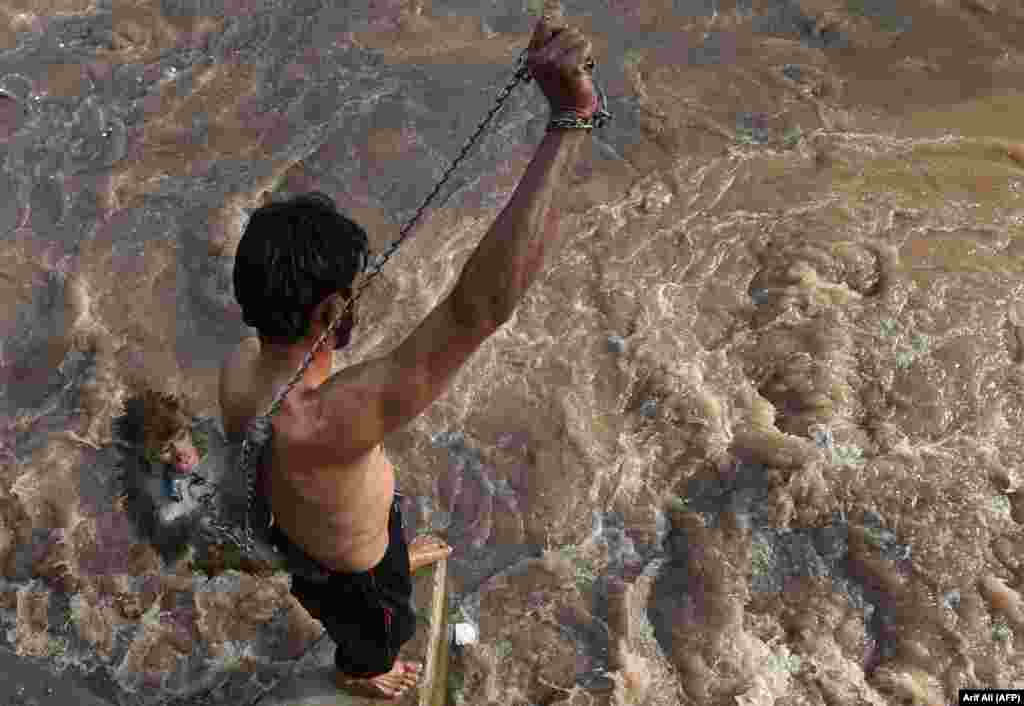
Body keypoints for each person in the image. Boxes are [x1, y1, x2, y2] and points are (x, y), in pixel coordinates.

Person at [217, 14, 601, 701]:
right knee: (380, 631)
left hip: (309, 542)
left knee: (370, 554)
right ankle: (364, 673)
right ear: (329, 313)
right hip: (355, 577)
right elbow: (478, 308)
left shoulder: (240, 366)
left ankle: (387, 569)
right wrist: (570, 118)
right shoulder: (329, 420)